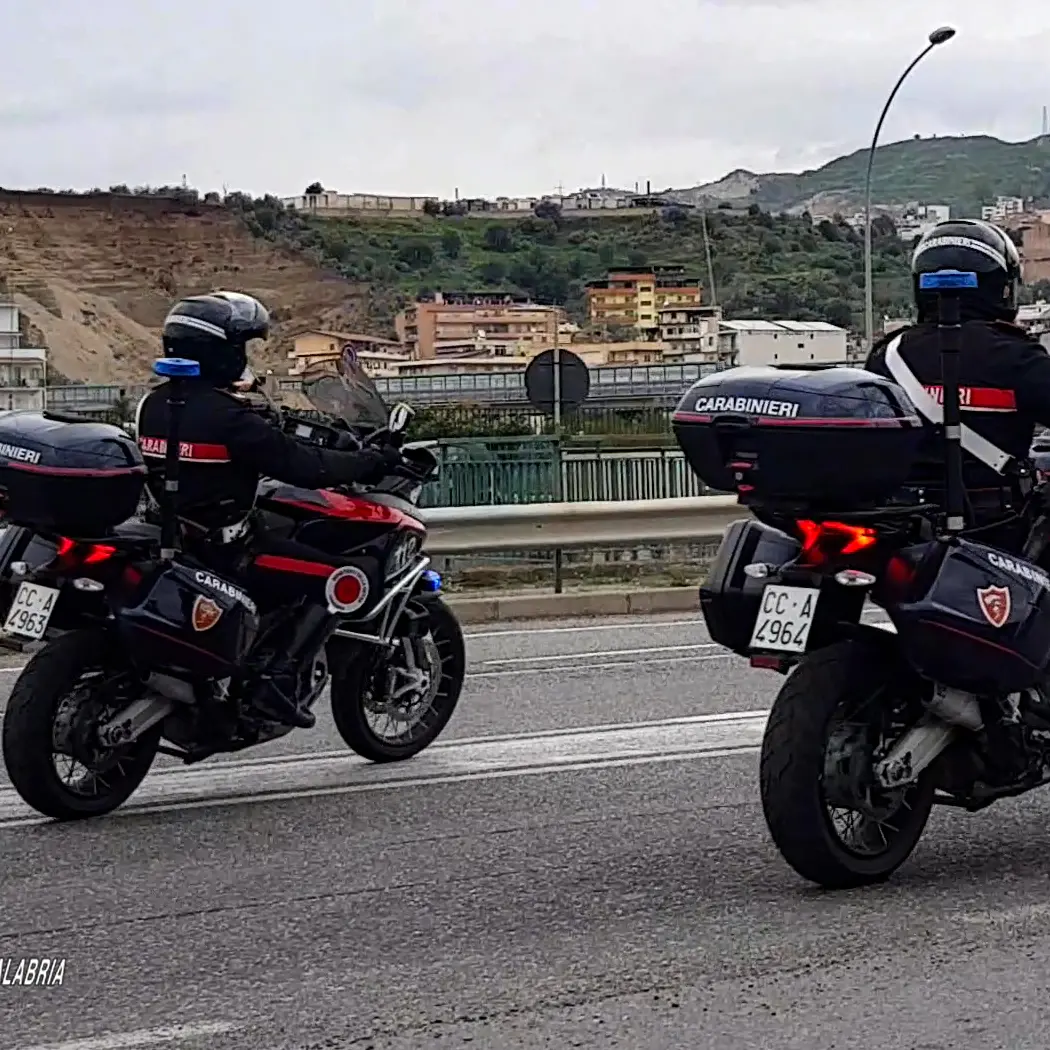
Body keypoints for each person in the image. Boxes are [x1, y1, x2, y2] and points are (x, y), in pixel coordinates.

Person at [136, 291, 402, 729]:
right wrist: (372, 462)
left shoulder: (154, 404)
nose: (242, 357)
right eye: (238, 347)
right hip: (231, 550)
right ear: (218, 351)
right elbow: (305, 467)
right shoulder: (229, 418)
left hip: (172, 537)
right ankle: (274, 681)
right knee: (346, 579)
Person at [865, 218, 1050, 541]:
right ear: (1001, 287)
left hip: (898, 529)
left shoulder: (886, 355)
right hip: (997, 530)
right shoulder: (1018, 356)